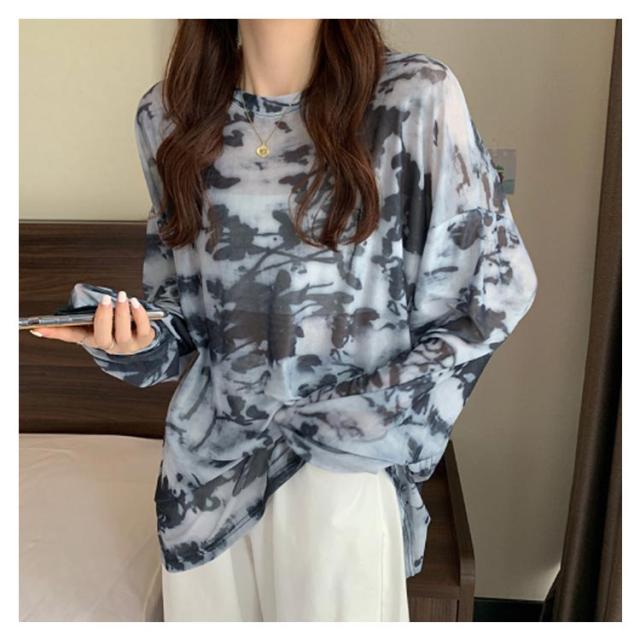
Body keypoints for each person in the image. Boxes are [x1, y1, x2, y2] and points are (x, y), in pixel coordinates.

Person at [30, 19, 538, 621]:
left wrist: (366, 417)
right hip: (204, 483)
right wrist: (128, 339)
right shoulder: (168, 116)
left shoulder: (412, 97)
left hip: (337, 478)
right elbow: (183, 318)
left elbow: (492, 294)